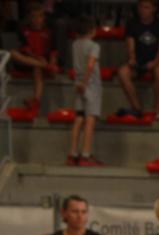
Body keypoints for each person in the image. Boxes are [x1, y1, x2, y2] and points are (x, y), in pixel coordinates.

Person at [115, 0, 159, 120]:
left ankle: (157, 110)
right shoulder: (132, 23)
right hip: (139, 61)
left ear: (154, 9)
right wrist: (132, 58)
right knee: (123, 72)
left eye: (146, 7)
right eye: (141, 7)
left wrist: (154, 62)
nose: (143, 10)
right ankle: (137, 108)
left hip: (158, 61)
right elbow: (130, 45)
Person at [10, 2, 59, 115]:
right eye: (34, 16)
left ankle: (36, 100)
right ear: (29, 18)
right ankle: (45, 66)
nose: (37, 19)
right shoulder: (24, 30)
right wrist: (39, 60)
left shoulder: (49, 31)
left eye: (39, 16)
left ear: (43, 18)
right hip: (31, 60)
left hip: (42, 62)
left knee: (37, 68)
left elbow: (53, 51)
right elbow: (26, 49)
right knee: (12, 53)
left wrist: (52, 62)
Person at [67, 17, 102, 167]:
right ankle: (86, 155)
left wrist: (80, 82)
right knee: (90, 118)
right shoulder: (94, 46)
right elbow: (90, 65)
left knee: (79, 117)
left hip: (78, 81)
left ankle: (73, 153)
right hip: (90, 83)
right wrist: (85, 82)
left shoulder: (75, 44)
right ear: (92, 31)